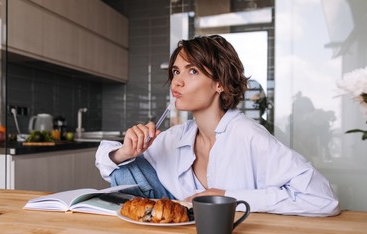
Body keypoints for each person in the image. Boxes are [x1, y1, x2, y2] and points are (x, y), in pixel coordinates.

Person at [95, 35, 340, 217]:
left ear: (220, 83)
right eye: (176, 71)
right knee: (125, 167)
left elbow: (323, 198)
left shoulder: (247, 135)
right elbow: (108, 167)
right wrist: (125, 152)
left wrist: (226, 197)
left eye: (192, 71)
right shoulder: (177, 135)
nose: (177, 81)